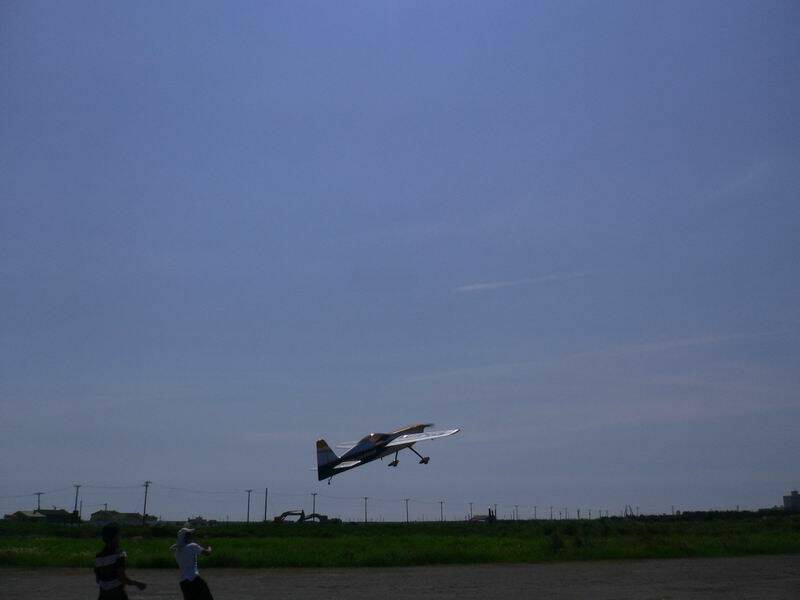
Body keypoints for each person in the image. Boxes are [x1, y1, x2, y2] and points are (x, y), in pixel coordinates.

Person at [93, 523, 147, 599]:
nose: (120, 538)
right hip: (118, 595)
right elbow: (122, 578)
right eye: (118, 536)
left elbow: (98, 580)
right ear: (115, 537)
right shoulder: (120, 554)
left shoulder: (98, 557)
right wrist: (137, 583)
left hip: (103, 595)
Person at [171, 526, 214, 600]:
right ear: (186, 537)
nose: (191, 536)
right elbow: (207, 553)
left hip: (183, 583)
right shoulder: (192, 546)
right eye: (190, 534)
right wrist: (210, 547)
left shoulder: (177, 551)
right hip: (194, 579)